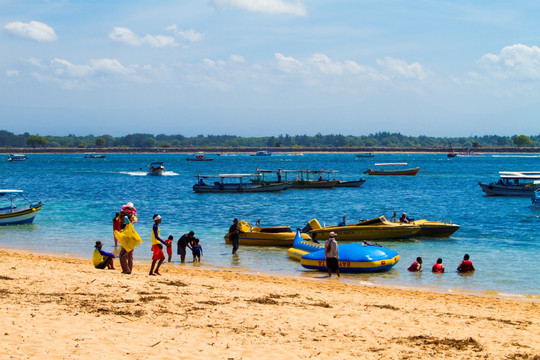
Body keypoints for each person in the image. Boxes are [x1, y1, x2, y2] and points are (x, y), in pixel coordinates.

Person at [114, 205, 142, 275]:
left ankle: (126, 269)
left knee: (122, 255)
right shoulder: (131, 220)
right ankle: (130, 269)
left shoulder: (126, 220)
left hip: (127, 241)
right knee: (130, 256)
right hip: (132, 240)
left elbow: (120, 220)